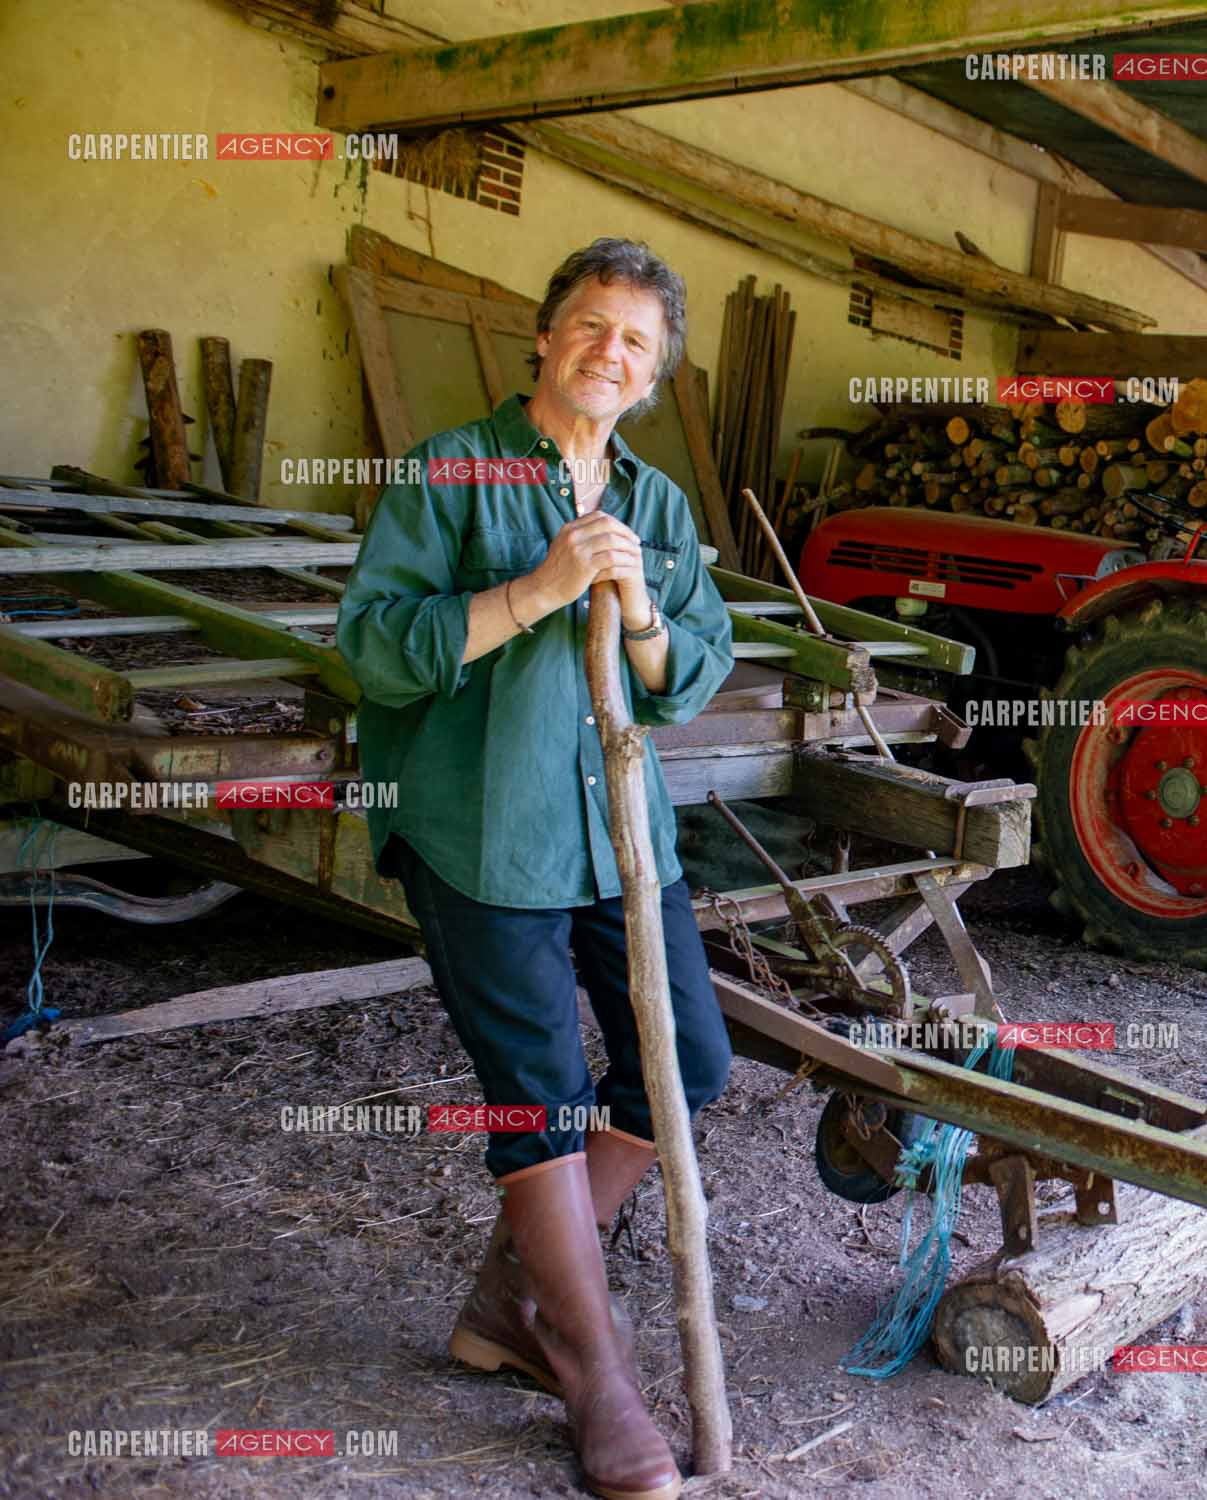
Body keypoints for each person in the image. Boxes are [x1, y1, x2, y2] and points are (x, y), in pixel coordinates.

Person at [338, 238, 737, 1500]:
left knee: (693, 1061)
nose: (605, 351)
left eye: (633, 339)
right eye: (587, 325)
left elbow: (699, 671)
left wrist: (646, 617)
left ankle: (516, 1296)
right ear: (546, 334)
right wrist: (538, 589)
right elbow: (377, 650)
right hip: (478, 827)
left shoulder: (658, 505)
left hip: (616, 832)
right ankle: (590, 1362)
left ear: (655, 370)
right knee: (537, 1089)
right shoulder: (449, 469)